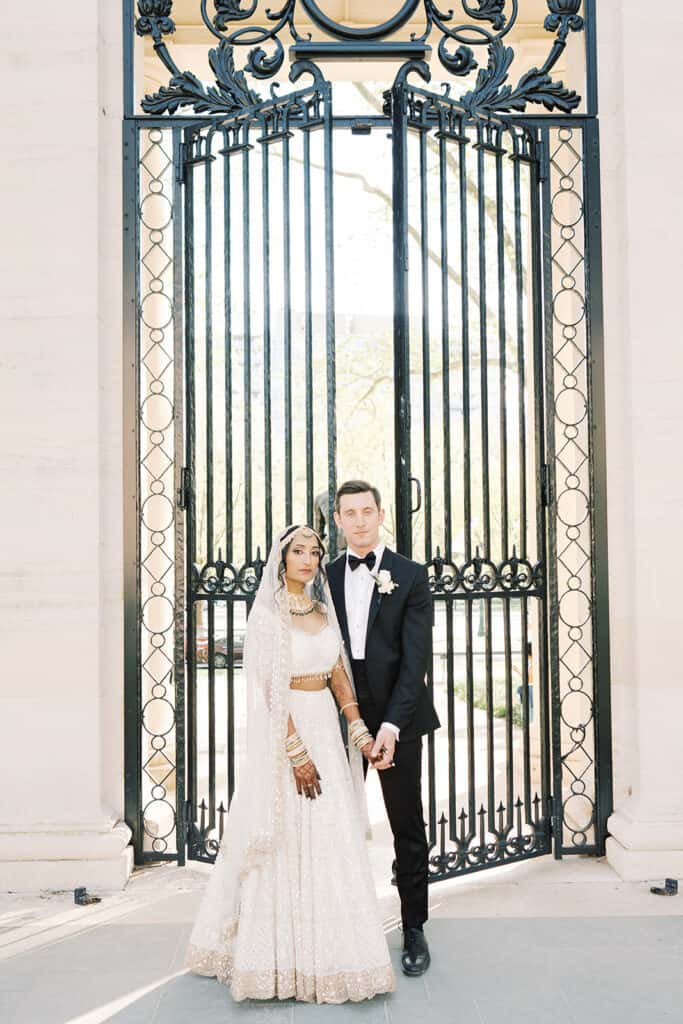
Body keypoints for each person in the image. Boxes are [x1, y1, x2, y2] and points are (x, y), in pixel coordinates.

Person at [185, 525, 394, 1004]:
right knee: (285, 835)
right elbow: (266, 693)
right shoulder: (267, 618)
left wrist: (359, 731)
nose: (307, 558)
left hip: (326, 728)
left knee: (331, 834)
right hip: (287, 735)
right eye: (298, 550)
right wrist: (296, 753)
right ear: (282, 559)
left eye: (315, 551)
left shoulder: (323, 611)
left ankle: (336, 953)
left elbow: (338, 673)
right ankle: (276, 958)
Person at [328, 480, 440, 977]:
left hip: (399, 712)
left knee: (406, 824)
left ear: (380, 515)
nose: (358, 521)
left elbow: (416, 659)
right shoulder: (324, 577)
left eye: (366, 511)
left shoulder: (410, 576)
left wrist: (391, 725)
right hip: (337, 712)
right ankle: (334, 923)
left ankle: (413, 926)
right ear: (337, 520)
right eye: (348, 513)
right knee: (332, 821)